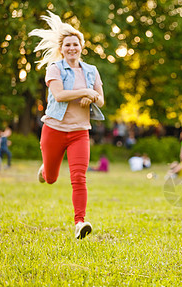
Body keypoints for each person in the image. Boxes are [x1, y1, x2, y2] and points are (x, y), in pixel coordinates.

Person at [29, 11, 105, 239]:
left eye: (76, 44)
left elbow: (101, 99)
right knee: (51, 178)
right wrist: (85, 91)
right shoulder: (55, 68)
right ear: (62, 49)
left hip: (80, 133)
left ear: (81, 47)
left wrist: (91, 97)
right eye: (68, 45)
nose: (72, 48)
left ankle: (79, 222)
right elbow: (60, 95)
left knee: (79, 178)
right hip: (54, 130)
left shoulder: (91, 71)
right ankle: (45, 169)